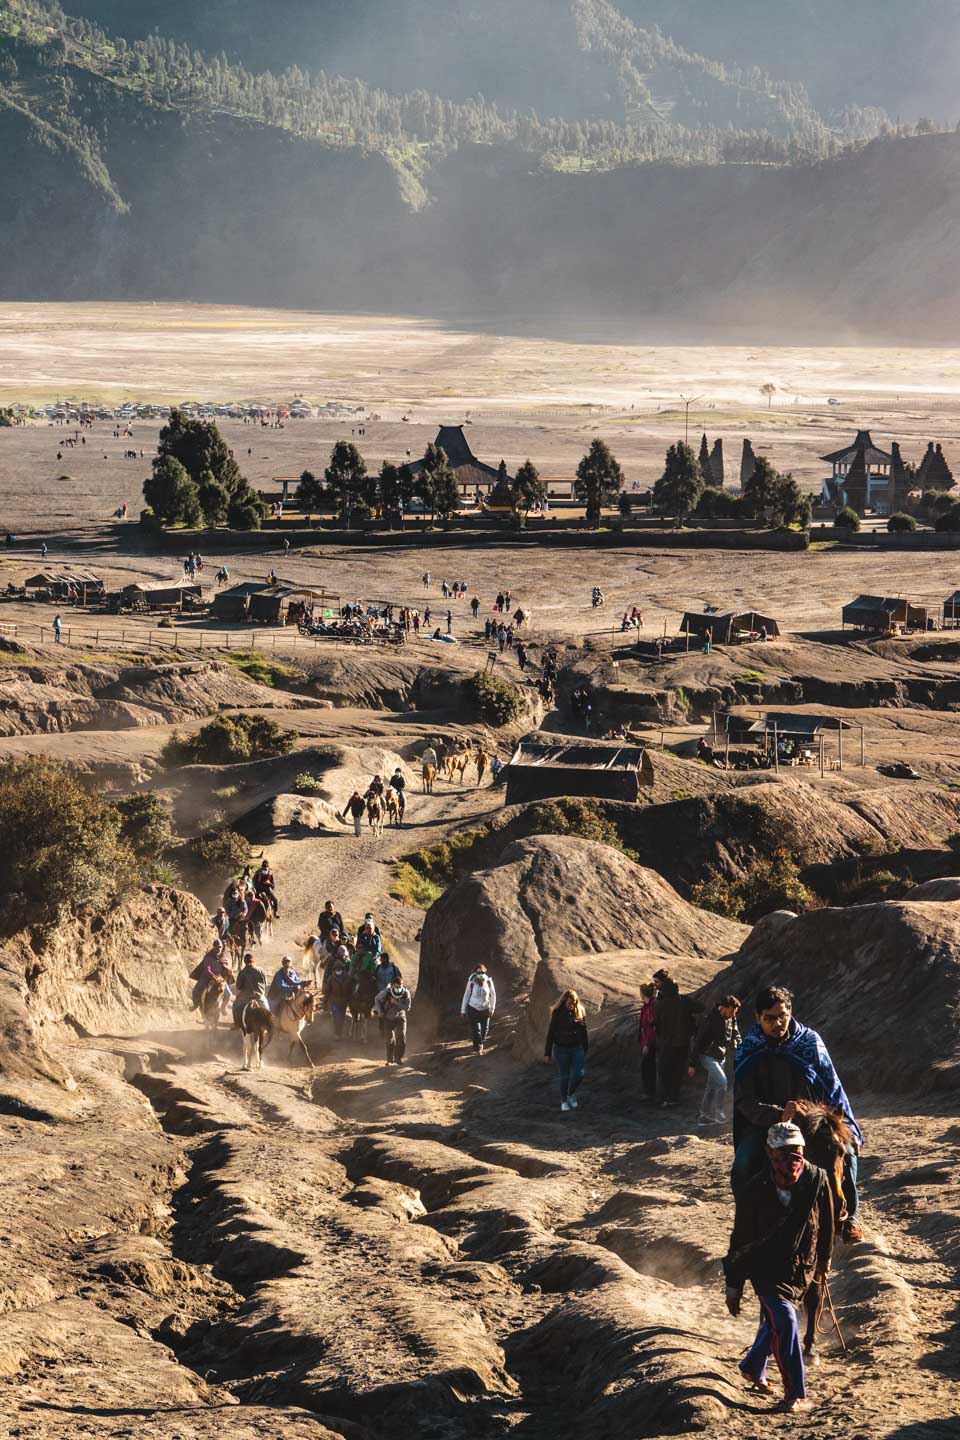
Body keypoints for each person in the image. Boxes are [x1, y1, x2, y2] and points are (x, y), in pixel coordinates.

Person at [732, 985, 862, 1241]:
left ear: (790, 1011)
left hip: (810, 1121)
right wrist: (778, 1114)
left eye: (783, 1015)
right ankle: (745, 1220)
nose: (778, 1022)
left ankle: (849, 1217)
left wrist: (846, 1125)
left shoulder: (809, 1042)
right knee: (743, 1164)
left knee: (845, 1153)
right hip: (767, 1124)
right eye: (770, 1018)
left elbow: (832, 1087)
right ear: (758, 1017)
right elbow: (744, 1101)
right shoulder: (749, 1049)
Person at [723, 1121, 834, 1415]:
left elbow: (826, 1225)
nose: (791, 1159)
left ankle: (752, 1366)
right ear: (770, 1154)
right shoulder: (753, 1191)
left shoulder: (817, 1179)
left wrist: (823, 1263)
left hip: (802, 1266)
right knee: (785, 1320)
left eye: (796, 1151)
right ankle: (795, 1392)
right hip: (766, 1268)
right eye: (783, 1152)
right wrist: (734, 1285)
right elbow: (741, 1238)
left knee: (777, 1318)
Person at [652, 968, 699, 1106]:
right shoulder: (683, 1000)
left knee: (664, 1070)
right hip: (682, 1042)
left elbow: (656, 1022)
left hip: (666, 1043)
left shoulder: (661, 1003)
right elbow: (700, 1007)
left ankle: (664, 1098)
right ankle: (674, 1098)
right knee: (677, 1071)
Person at [694, 993, 741, 1125]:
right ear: (723, 1007)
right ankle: (718, 1112)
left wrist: (737, 1044)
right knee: (722, 1082)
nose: (733, 1014)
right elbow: (698, 1041)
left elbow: (736, 1034)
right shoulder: (709, 1020)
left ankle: (704, 1117)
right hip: (707, 1055)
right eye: (732, 1011)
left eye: (735, 1012)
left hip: (721, 1056)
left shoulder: (731, 1017)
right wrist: (692, 1063)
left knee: (712, 1086)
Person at [543, 989, 588, 1113]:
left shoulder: (580, 1011)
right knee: (565, 1076)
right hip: (561, 1049)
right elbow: (551, 1033)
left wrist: (585, 1049)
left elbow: (584, 1032)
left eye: (573, 1003)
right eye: (569, 1003)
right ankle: (564, 1101)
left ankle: (571, 1094)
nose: (571, 1006)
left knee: (579, 1074)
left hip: (577, 1048)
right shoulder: (557, 1013)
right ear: (564, 1001)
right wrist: (547, 1053)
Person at [375, 973, 412, 1065]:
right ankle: (390, 1060)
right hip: (388, 1018)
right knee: (390, 1039)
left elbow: (407, 1007)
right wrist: (380, 1011)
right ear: (393, 985)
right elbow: (377, 999)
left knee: (402, 1037)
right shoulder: (386, 992)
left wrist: (396, 1003)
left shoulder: (405, 993)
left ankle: (398, 1058)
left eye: (400, 986)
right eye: (396, 987)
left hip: (401, 1017)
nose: (398, 988)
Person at [461, 963, 496, 1055]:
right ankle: (478, 1048)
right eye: (478, 972)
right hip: (472, 1008)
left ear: (485, 972)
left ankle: (481, 1043)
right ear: (475, 972)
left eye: (482, 972)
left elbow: (493, 995)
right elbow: (467, 995)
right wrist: (463, 1010)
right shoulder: (471, 981)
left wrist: (492, 1009)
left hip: (485, 1009)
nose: (480, 974)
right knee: (476, 1030)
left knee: (485, 1029)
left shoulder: (488, 981)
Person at [189, 939, 232, 1011]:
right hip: (207, 976)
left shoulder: (223, 956)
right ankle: (195, 1005)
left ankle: (223, 1008)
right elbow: (207, 969)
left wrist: (228, 971)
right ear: (213, 947)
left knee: (228, 993)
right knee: (196, 990)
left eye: (220, 947)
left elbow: (226, 966)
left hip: (219, 977)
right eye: (217, 947)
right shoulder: (208, 956)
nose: (219, 949)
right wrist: (212, 976)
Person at [232, 952, 267, 1025]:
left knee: (235, 1006)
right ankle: (269, 1024)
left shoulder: (242, 972)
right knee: (267, 1008)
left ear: (245, 962)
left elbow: (238, 987)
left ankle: (236, 1023)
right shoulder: (261, 970)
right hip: (259, 996)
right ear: (253, 961)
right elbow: (265, 983)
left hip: (246, 997)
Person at [323, 955, 354, 1039]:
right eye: (336, 969)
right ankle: (337, 1034)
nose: (338, 970)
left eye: (340, 968)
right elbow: (327, 991)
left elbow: (350, 991)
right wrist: (325, 1001)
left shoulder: (347, 978)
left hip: (343, 1002)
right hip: (334, 1002)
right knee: (336, 1018)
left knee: (342, 1018)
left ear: (343, 969)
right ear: (334, 969)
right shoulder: (331, 978)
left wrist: (350, 1001)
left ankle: (339, 1033)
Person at [637, 981, 657, 1101]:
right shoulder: (646, 1006)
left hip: (651, 1043)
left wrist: (647, 1044)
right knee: (646, 1067)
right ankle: (649, 1092)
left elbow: (651, 1027)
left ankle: (650, 1093)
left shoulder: (651, 1007)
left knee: (648, 1068)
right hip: (647, 1042)